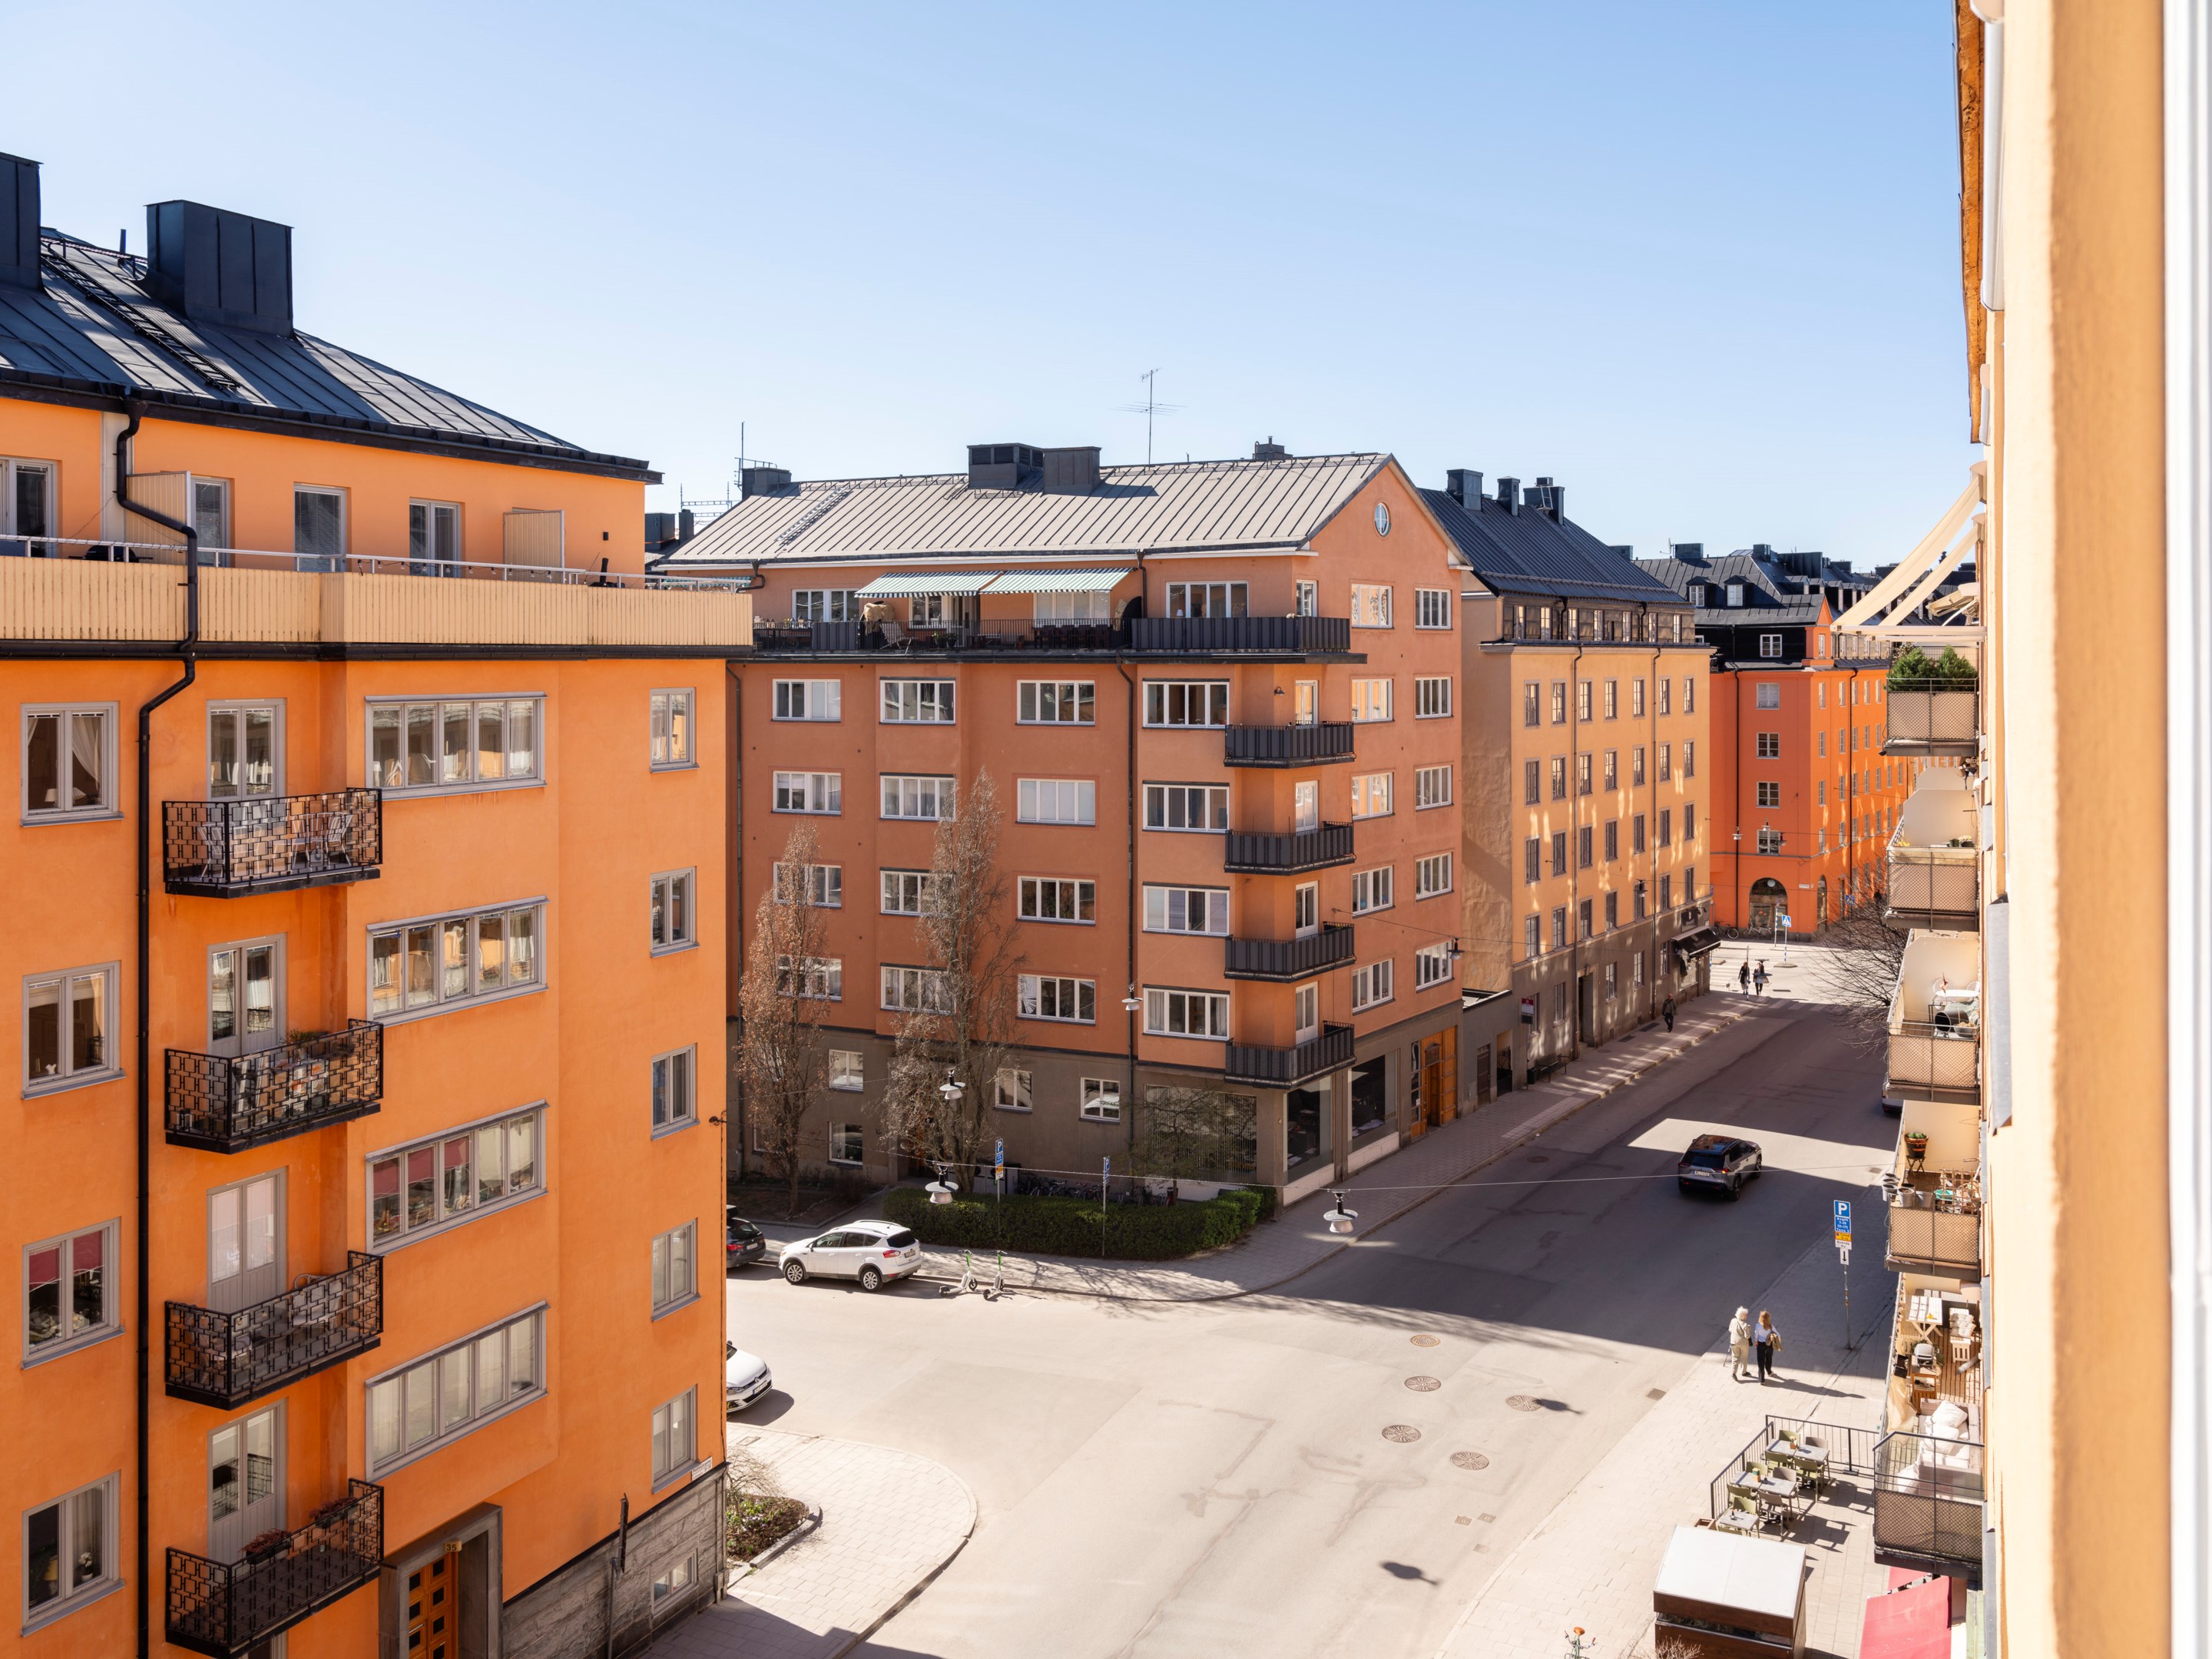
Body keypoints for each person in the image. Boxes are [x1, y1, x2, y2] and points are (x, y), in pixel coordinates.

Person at [1754, 1310, 1781, 1382]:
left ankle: (1761, 1379)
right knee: (1769, 1358)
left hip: (1761, 1344)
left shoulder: (1758, 1326)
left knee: (1761, 1361)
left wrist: (1756, 1341)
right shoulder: (1771, 1326)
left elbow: (1756, 1335)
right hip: (1769, 1345)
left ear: (1760, 1317)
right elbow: (1778, 1335)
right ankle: (1769, 1371)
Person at [1728, 1306, 1753, 1380]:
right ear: (1742, 1315)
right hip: (1743, 1344)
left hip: (1733, 1342)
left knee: (1735, 1357)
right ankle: (1743, 1372)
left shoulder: (1733, 1320)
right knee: (1744, 1357)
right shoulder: (1745, 1325)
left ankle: (1733, 1373)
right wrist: (1749, 1329)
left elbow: (1730, 1330)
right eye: (1746, 1314)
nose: (1747, 1315)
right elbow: (1747, 1336)